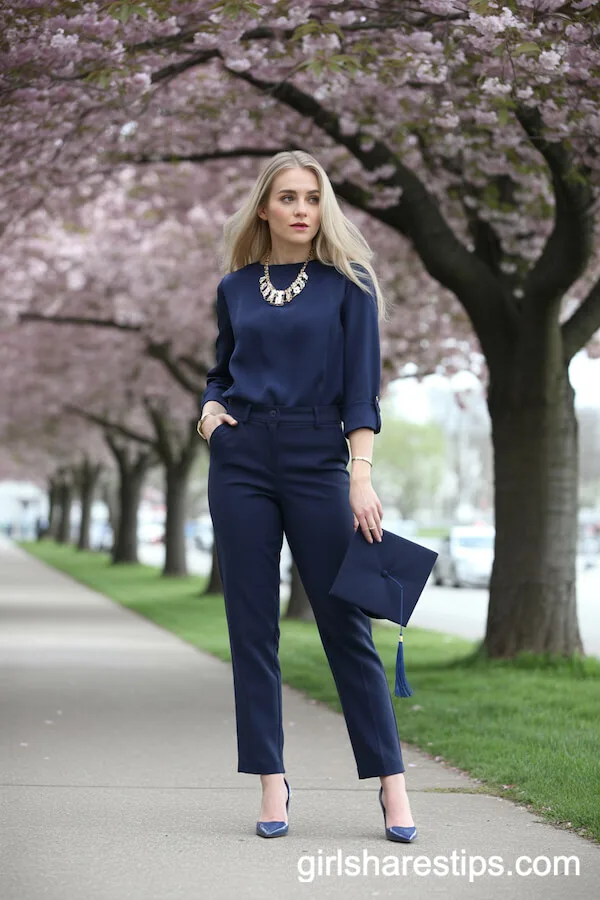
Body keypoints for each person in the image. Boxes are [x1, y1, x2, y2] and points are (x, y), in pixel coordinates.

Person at [197, 150, 416, 842]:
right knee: (250, 626)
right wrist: (208, 414)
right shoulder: (235, 288)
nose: (300, 209)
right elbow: (219, 371)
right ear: (264, 207)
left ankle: (391, 785)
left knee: (344, 625)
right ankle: (270, 781)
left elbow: (361, 390)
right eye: (287, 197)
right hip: (241, 461)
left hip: (319, 459)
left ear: (324, 208)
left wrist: (360, 473)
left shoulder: (350, 286)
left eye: (312, 198)